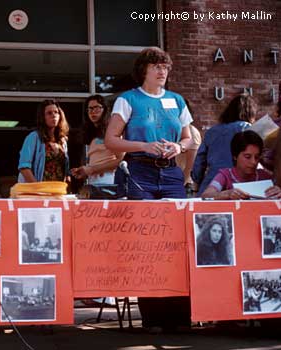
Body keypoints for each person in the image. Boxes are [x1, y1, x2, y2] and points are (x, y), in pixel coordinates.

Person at [104, 47, 192, 332]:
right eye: (156, 66)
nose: (162, 71)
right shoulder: (128, 100)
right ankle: (152, 318)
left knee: (177, 243)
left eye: (165, 66)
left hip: (170, 174)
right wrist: (143, 145)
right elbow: (111, 140)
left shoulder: (177, 100)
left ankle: (179, 316)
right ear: (143, 69)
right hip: (140, 171)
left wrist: (179, 146)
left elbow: (189, 137)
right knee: (147, 245)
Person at [192, 93, 256, 195]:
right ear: (250, 113)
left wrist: (197, 180)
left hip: (211, 183)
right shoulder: (248, 128)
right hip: (238, 184)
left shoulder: (212, 131)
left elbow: (199, 160)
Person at [201, 130, 281, 200]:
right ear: (235, 156)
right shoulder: (225, 176)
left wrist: (278, 191)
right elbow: (206, 195)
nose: (253, 162)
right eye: (247, 157)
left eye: (256, 157)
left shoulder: (265, 177)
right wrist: (226, 194)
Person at [71, 95, 124, 191]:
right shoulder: (91, 133)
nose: (93, 112)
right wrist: (84, 171)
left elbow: (122, 160)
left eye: (97, 108)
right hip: (93, 181)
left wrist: (92, 169)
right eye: (90, 109)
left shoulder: (111, 131)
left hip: (109, 180)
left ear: (105, 110)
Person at [18, 99, 69, 183]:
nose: (54, 115)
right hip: (39, 191)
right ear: (42, 117)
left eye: (56, 112)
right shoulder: (33, 137)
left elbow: (65, 170)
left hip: (57, 190)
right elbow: (24, 168)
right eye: (49, 113)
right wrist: (37, 189)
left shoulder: (62, 141)